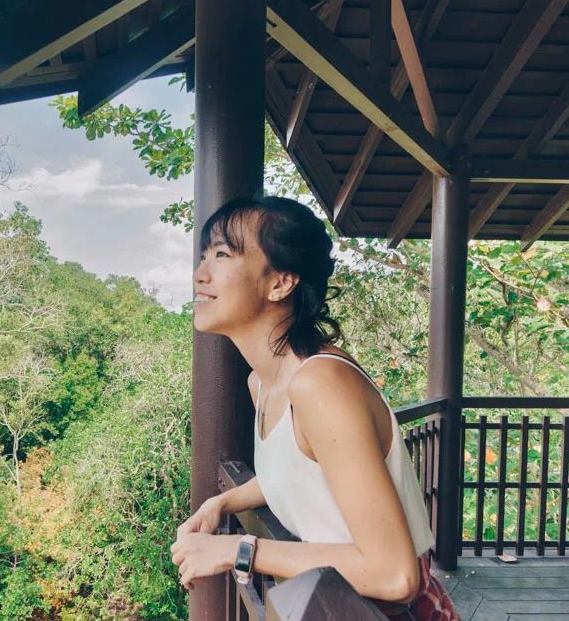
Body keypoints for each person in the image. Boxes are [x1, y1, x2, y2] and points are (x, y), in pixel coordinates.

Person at [169, 196, 459, 619]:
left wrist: (238, 549)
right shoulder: (263, 383)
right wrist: (221, 503)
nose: (200, 273)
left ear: (280, 283)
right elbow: (296, 473)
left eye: (222, 255)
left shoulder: (321, 384)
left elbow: (395, 575)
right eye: (203, 257)